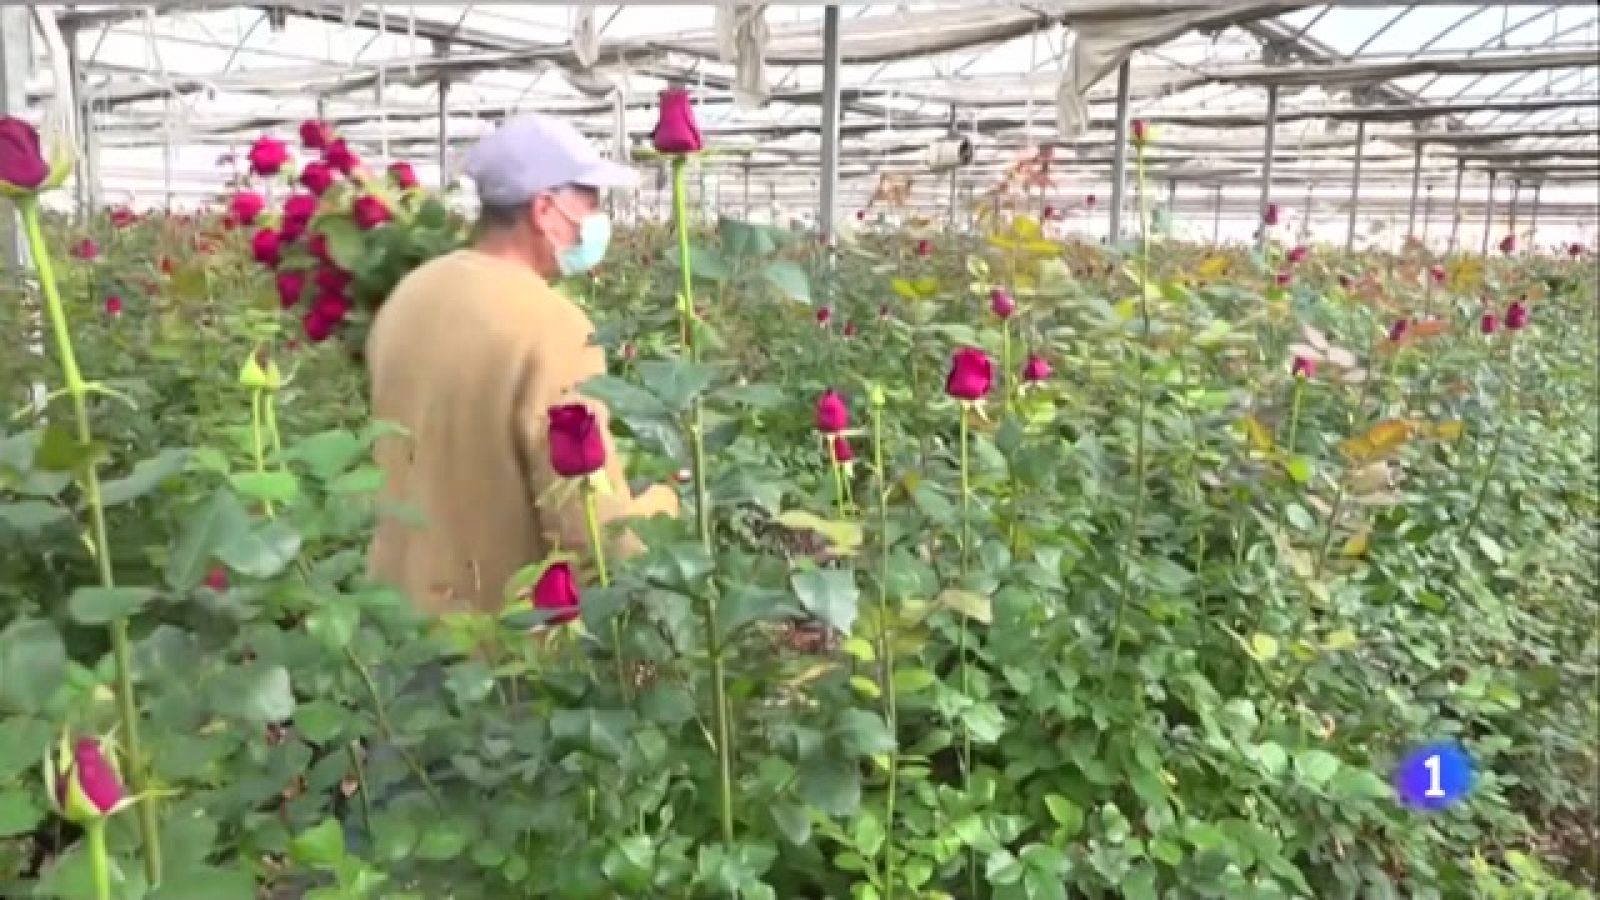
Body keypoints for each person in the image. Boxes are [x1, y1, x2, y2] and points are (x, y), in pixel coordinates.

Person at [365, 113, 678, 616]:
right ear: (545, 209)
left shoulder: (410, 295)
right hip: (497, 635)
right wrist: (662, 509)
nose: (597, 221)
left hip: (395, 620)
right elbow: (587, 522)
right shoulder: (553, 326)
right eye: (590, 203)